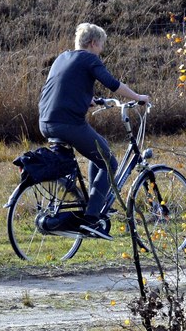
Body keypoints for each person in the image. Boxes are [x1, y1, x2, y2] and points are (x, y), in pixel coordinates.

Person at [38, 22, 149, 239]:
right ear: (93, 43)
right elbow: (113, 84)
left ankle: (92, 203)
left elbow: (64, 85)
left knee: (98, 153)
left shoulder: (62, 57)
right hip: (68, 124)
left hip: (45, 121)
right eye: (101, 46)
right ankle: (91, 219)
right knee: (109, 162)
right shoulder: (90, 58)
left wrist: (87, 100)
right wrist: (138, 97)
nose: (102, 51)